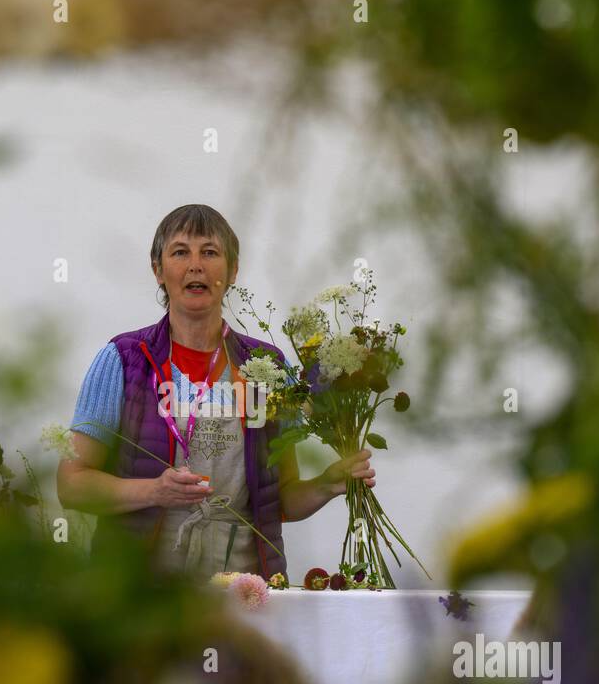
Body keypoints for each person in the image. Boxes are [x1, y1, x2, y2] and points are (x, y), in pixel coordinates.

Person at [57, 204, 374, 580]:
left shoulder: (266, 368)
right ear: (158, 270)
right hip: (139, 596)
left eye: (210, 252)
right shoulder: (123, 360)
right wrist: (155, 491)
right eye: (180, 252)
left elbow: (282, 497)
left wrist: (327, 483)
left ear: (233, 269)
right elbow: (72, 484)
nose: (196, 265)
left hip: (245, 591)